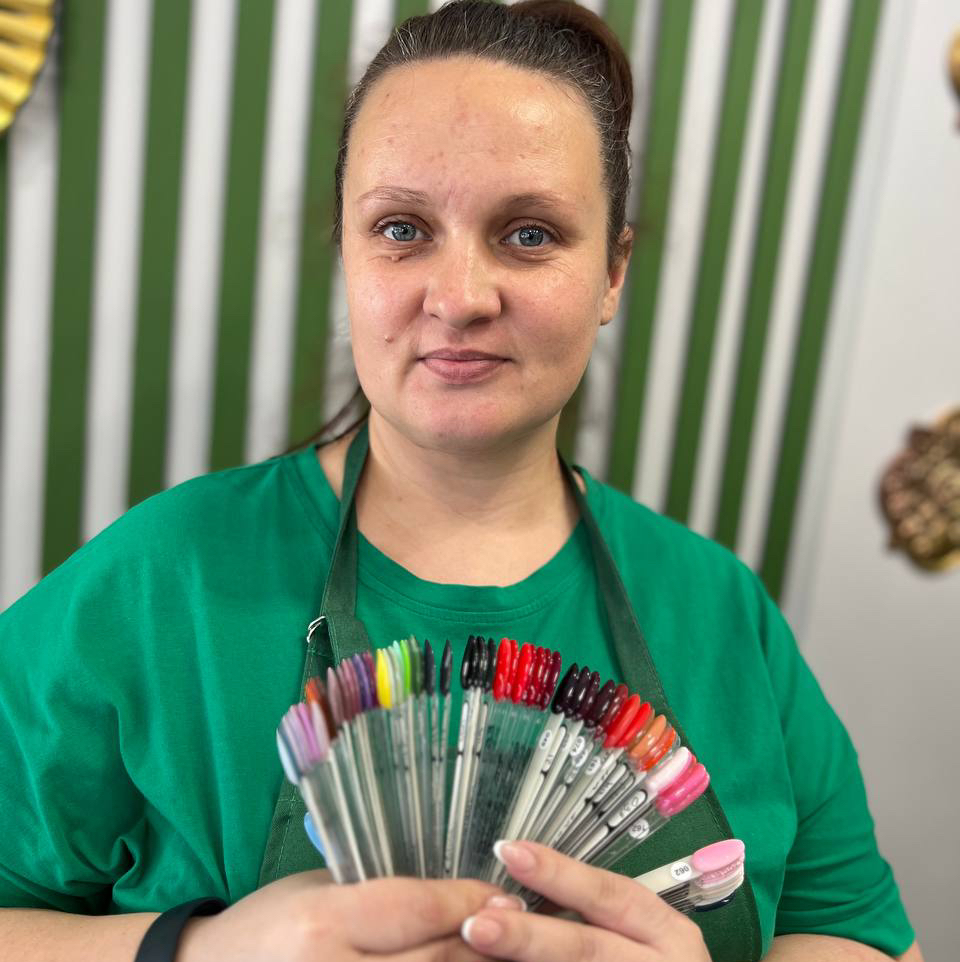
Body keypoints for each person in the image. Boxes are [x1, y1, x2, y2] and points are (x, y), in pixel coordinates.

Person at [0, 2, 921, 960]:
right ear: (347, 252)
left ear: (613, 272)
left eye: (529, 234)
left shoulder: (720, 611)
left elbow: (860, 936)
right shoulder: (159, 585)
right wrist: (199, 951)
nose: (459, 297)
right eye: (402, 228)